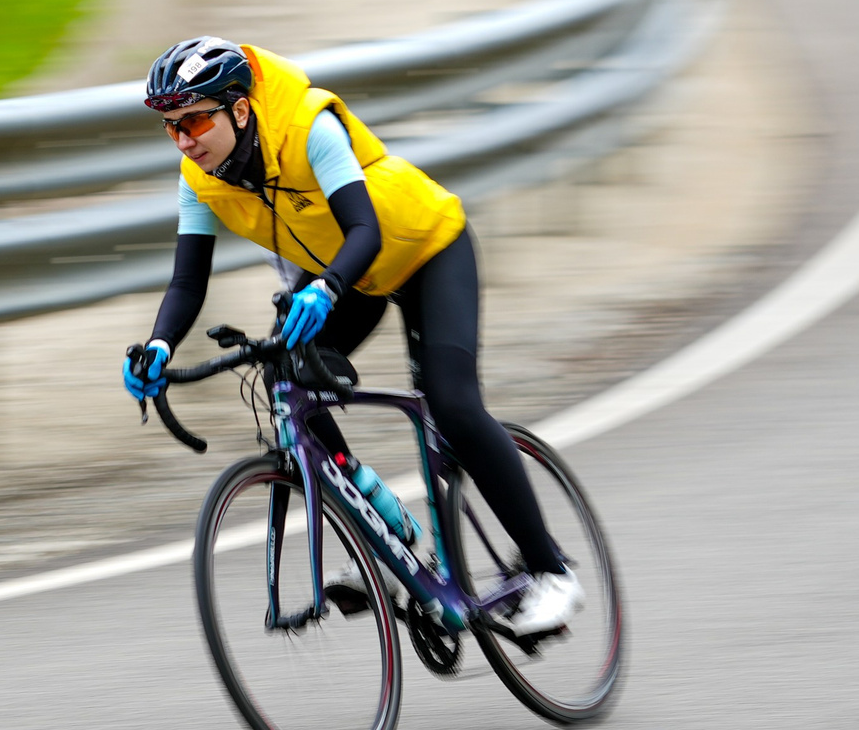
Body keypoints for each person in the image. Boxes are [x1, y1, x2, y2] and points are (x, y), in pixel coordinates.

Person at [120, 35, 581, 637]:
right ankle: (386, 537)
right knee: (286, 379)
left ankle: (551, 570)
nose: (184, 140)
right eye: (172, 127)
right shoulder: (199, 178)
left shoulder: (310, 127)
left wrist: (326, 288)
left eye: (196, 120)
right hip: (348, 277)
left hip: (424, 249)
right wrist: (159, 344)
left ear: (239, 108)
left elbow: (364, 228)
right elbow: (188, 281)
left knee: (455, 404)